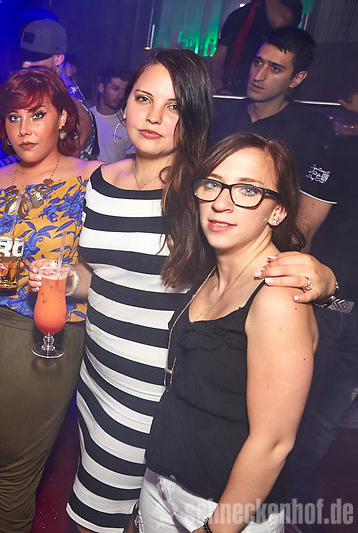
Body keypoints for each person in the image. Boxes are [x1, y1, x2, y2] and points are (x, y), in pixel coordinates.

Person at [67, 48, 335, 533]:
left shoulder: (206, 190)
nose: (153, 117)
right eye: (143, 98)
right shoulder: (100, 182)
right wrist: (66, 282)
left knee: (95, 519)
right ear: (124, 103)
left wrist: (324, 278)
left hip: (156, 391)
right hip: (97, 376)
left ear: (193, 116)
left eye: (173, 106)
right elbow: (102, 274)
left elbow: (261, 255)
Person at [0, 66, 101, 533]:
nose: (24, 129)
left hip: (42, 335)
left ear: (63, 118)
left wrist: (64, 279)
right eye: (14, 117)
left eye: (37, 115)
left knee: (10, 468)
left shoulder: (93, 180)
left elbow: (114, 269)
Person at [140, 132, 316, 532]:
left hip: (220, 510)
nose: (222, 202)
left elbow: (273, 443)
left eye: (248, 190)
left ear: (277, 212)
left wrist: (216, 529)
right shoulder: (211, 271)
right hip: (163, 484)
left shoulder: (277, 299)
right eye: (213, 184)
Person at [286, 128, 358, 531]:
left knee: (326, 420)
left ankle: (292, 501)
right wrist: (298, 305)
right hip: (325, 311)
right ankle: (266, 500)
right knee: (290, 413)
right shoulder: (343, 152)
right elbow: (301, 234)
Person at [210, 26, 334, 181]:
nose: (258, 76)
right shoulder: (220, 115)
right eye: (257, 62)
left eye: (275, 68)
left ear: (296, 79)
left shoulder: (310, 130)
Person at [20, 16, 98, 161]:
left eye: (36, 57)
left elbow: (66, 166)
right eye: (24, 56)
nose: (25, 64)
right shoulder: (45, 90)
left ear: (59, 59)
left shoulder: (67, 102)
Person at [210, 0, 302, 94]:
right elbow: (219, 58)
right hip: (233, 87)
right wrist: (220, 89)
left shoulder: (289, 6)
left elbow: (280, 25)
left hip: (267, 89)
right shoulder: (240, 14)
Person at [91, 66, 132, 163]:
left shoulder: (128, 123)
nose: (121, 95)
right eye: (115, 89)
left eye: (124, 90)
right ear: (101, 88)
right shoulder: (87, 117)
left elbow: (131, 162)